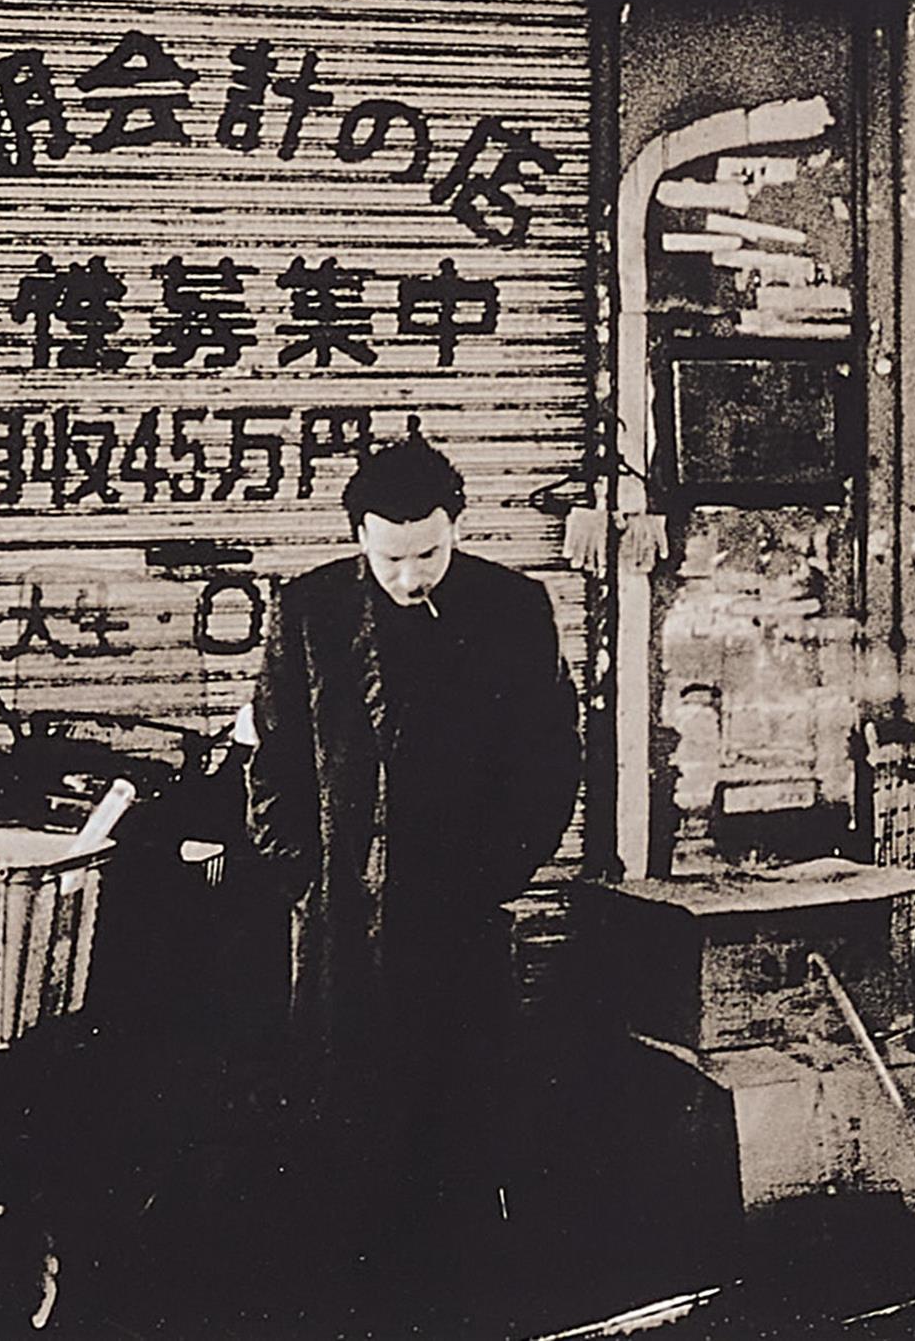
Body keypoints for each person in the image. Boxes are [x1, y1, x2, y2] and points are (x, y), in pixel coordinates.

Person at [248, 433, 580, 1311]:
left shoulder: (515, 608)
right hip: (340, 926)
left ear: (457, 527)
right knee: (341, 1115)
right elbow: (273, 762)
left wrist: (495, 875)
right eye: (390, 556)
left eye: (429, 552)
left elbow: (552, 760)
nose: (410, 575)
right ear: (358, 533)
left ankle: (455, 1301)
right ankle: (350, 1301)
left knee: (461, 1115)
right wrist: (306, 877)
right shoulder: (308, 610)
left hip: (459, 917)